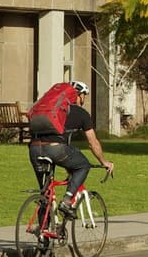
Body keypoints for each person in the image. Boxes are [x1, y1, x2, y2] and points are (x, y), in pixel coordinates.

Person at [26, 79, 112, 222]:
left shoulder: (51, 109)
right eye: (84, 95)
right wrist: (104, 161)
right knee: (83, 165)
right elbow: (92, 142)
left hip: (34, 150)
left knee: (45, 192)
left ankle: (43, 236)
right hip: (55, 149)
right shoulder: (81, 113)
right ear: (79, 95)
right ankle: (66, 202)